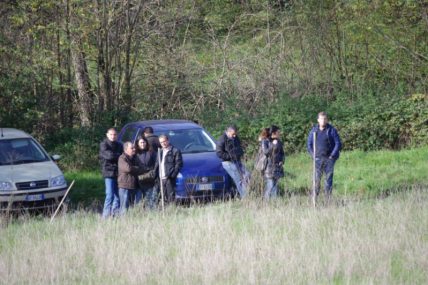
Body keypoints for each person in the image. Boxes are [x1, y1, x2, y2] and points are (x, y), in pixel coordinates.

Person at [307, 112, 342, 201]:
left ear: (327, 120)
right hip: (317, 159)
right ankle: (314, 200)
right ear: (318, 120)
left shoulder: (331, 130)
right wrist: (313, 155)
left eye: (325, 119)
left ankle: (328, 200)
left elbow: (338, 143)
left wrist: (332, 156)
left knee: (328, 181)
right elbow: (309, 144)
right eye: (322, 119)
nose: (323, 121)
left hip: (329, 159)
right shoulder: (314, 131)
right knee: (316, 180)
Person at [216, 125, 249, 198]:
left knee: (247, 175)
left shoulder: (235, 138)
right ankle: (246, 198)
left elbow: (240, 147)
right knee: (240, 180)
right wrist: (230, 156)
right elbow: (219, 153)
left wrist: (240, 153)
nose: (234, 136)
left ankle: (247, 194)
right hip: (228, 162)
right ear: (228, 132)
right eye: (233, 134)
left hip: (237, 161)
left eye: (235, 134)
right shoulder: (221, 139)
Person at [99, 128, 123, 218]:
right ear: (107, 135)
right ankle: (105, 215)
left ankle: (115, 213)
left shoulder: (119, 145)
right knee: (109, 194)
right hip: (108, 172)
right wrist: (118, 155)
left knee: (117, 195)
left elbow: (122, 155)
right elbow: (109, 156)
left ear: (117, 135)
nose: (113, 136)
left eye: (115, 134)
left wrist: (116, 155)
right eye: (111, 134)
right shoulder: (103, 144)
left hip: (118, 172)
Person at [118, 141, 144, 215]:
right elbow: (128, 169)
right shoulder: (122, 158)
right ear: (126, 149)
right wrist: (137, 168)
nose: (134, 149)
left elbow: (142, 168)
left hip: (135, 185)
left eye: (134, 148)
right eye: (132, 148)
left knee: (137, 205)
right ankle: (123, 223)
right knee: (124, 207)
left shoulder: (135, 158)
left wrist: (135, 168)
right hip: (125, 186)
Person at [158, 134, 183, 203]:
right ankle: (165, 213)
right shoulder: (159, 151)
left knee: (171, 198)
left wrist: (172, 175)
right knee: (163, 199)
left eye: (164, 141)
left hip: (169, 178)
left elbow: (179, 164)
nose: (163, 143)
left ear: (168, 140)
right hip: (160, 179)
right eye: (161, 142)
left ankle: (172, 211)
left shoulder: (175, 151)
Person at [135, 136, 158, 209]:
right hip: (138, 179)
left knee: (150, 198)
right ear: (137, 144)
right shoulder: (134, 153)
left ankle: (151, 214)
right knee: (138, 200)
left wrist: (152, 172)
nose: (142, 144)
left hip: (149, 178)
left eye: (144, 142)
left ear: (146, 143)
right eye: (141, 142)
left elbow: (156, 163)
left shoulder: (151, 152)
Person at [263, 125, 285, 199]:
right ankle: (266, 201)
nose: (280, 133)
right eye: (278, 132)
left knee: (275, 184)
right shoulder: (265, 141)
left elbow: (282, 153)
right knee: (270, 184)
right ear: (274, 133)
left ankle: (274, 202)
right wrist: (272, 145)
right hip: (269, 167)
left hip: (277, 166)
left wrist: (282, 161)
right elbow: (265, 152)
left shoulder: (279, 141)